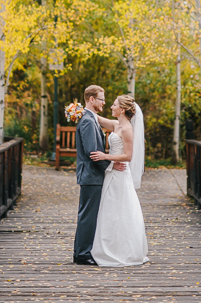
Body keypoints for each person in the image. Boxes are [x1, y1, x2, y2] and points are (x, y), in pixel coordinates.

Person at [89, 94, 148, 267]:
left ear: (122, 109)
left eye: (114, 105)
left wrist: (105, 156)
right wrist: (80, 110)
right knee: (109, 211)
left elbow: (129, 156)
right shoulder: (116, 124)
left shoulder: (127, 129)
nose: (111, 107)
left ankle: (122, 251)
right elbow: (97, 118)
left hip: (121, 174)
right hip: (112, 174)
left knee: (121, 211)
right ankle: (108, 246)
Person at [73, 85, 125, 265]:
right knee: (87, 215)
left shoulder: (91, 117)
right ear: (91, 99)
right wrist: (111, 164)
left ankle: (83, 251)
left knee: (88, 214)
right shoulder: (87, 121)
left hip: (92, 175)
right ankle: (82, 254)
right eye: (101, 99)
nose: (104, 102)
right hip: (90, 175)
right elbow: (92, 152)